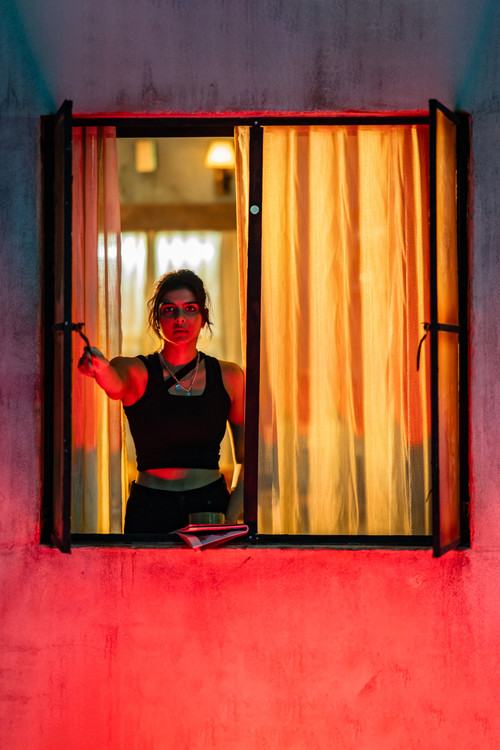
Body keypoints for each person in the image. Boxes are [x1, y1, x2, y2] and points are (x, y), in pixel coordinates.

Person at [78, 269, 245, 533]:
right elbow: (115, 383)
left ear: (203, 318)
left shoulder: (229, 376)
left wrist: (230, 517)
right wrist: (100, 368)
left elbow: (247, 459)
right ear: (157, 320)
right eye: (169, 310)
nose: (180, 318)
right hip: (150, 508)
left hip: (210, 507)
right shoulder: (136, 370)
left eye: (190, 309)